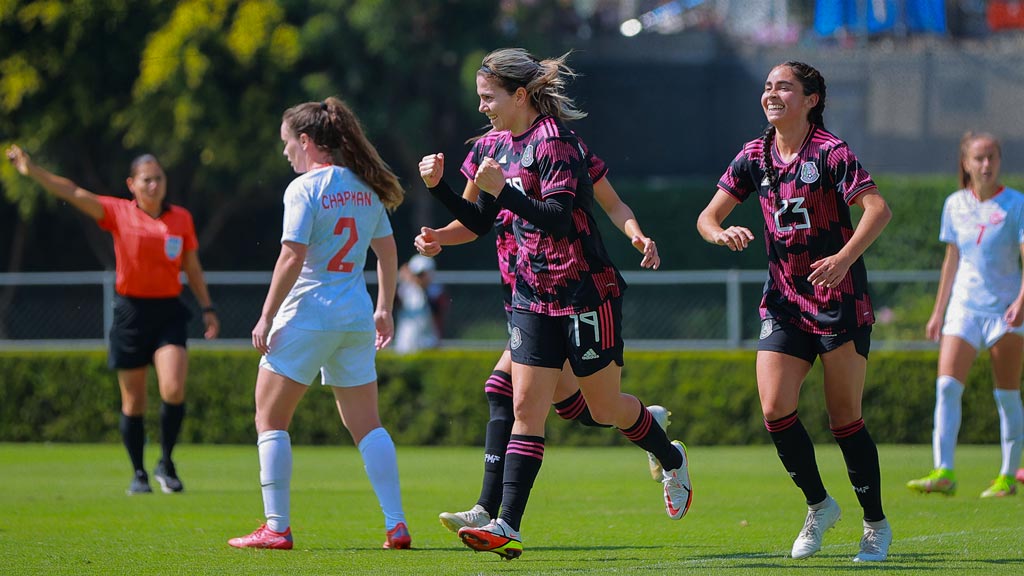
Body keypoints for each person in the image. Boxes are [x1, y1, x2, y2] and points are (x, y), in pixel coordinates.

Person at [420, 48, 691, 560]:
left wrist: (507, 194)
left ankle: (668, 454)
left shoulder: (557, 144)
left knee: (605, 407)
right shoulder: (491, 148)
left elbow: (559, 220)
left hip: (584, 292)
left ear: (519, 95)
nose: (481, 108)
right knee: (523, 405)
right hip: (531, 296)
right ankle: (505, 524)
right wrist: (438, 192)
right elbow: (478, 222)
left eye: (488, 98)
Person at [695, 61, 893, 562]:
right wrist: (721, 232)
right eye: (767, 86)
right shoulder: (753, 155)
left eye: (784, 86)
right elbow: (707, 216)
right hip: (783, 300)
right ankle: (819, 505)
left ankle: (875, 524)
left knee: (844, 418)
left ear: (811, 99)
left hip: (839, 299)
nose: (772, 93)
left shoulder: (830, 152)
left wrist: (844, 258)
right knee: (774, 408)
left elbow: (878, 209)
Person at [227, 97, 409, 551]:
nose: (285, 151)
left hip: (309, 311)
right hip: (355, 316)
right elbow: (387, 252)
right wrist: (384, 307)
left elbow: (293, 255)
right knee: (368, 424)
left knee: (269, 417)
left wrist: (266, 315)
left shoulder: (304, 187)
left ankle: (277, 527)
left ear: (306, 141)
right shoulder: (365, 186)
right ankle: (397, 524)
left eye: (288, 142)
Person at [5, 145, 219, 495]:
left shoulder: (181, 218)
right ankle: (138, 473)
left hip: (169, 310)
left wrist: (208, 307)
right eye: (147, 180)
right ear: (131, 184)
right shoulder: (118, 212)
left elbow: (191, 266)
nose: (154, 185)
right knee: (134, 402)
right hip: (131, 313)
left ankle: (166, 462)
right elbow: (73, 192)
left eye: (159, 178)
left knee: (174, 389)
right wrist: (33, 171)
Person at [906, 132, 1024, 499]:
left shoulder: (1017, 204)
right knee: (946, 387)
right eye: (979, 158)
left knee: (1006, 395)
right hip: (964, 309)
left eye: (992, 157)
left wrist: (1021, 301)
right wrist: (938, 312)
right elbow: (951, 260)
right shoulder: (954, 204)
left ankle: (1006, 475)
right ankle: (944, 471)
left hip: (1006, 312)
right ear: (966, 163)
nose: (986, 165)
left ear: (999, 161)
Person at [393, 254, 449, 354]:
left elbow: (438, 310)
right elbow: (394, 303)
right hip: (407, 341)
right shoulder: (405, 289)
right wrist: (399, 279)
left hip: (429, 338)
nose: (419, 278)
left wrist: (423, 288)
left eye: (422, 274)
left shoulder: (436, 290)